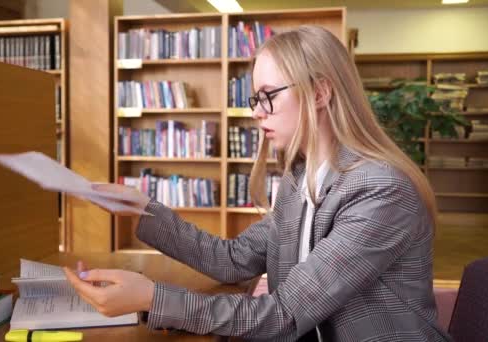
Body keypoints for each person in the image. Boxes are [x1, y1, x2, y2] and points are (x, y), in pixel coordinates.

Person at [63, 25, 451, 341]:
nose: (258, 114)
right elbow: (231, 261)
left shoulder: (380, 190)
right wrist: (140, 207)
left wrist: (153, 298)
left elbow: (284, 314)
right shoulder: (301, 178)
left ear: (319, 93)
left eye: (268, 97)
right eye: (255, 100)